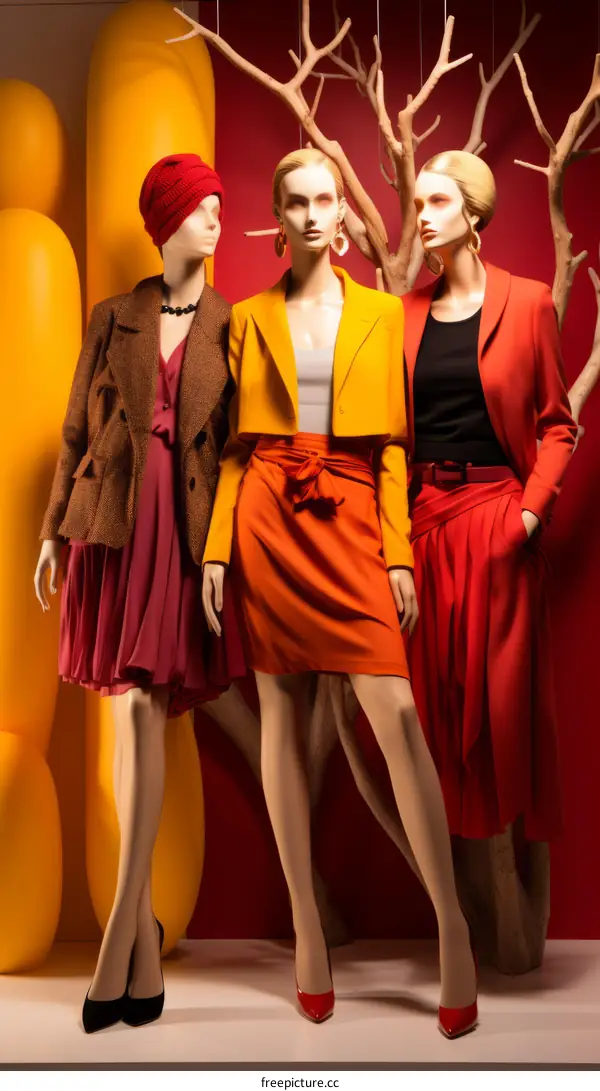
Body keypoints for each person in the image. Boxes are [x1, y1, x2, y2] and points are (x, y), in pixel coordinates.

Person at [201, 147, 478, 1038]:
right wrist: (215, 552)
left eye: (327, 198)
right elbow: (236, 449)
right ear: (276, 216)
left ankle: (454, 929)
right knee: (280, 718)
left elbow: (394, 445)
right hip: (269, 523)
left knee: (394, 716)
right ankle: (307, 933)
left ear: (342, 214)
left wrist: (398, 555)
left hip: (355, 518)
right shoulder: (246, 317)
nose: (316, 213)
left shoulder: (379, 314)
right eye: (297, 201)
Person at [34, 153, 246, 1033]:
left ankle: (123, 931)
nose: (216, 220)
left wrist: (222, 554)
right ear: (165, 220)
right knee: (128, 720)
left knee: (150, 707)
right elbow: (76, 425)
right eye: (201, 207)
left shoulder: (233, 324)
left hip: (183, 531)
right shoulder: (111, 315)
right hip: (112, 522)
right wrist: (51, 529)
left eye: (219, 206)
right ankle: (143, 947)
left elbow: (237, 449)